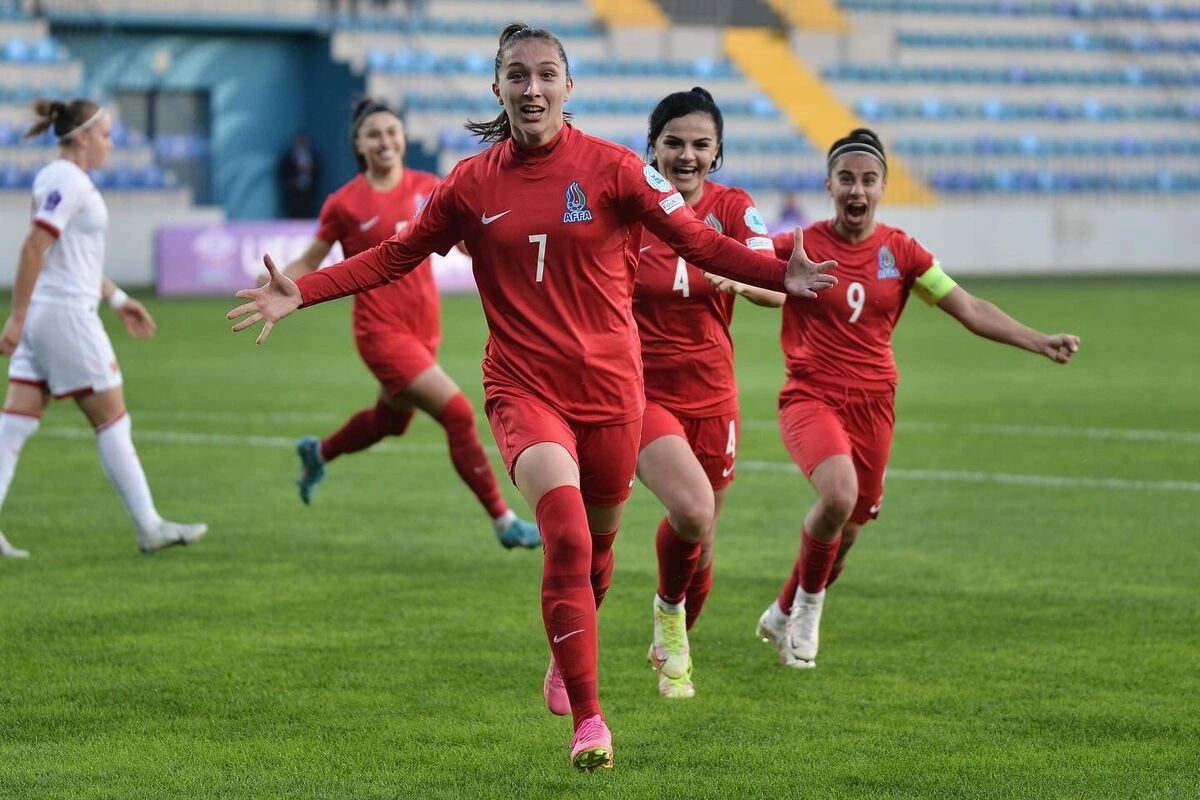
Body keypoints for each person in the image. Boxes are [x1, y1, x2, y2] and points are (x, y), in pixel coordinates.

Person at [228, 23, 836, 771]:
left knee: (600, 551)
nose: (533, 87)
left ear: (568, 86)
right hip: (523, 387)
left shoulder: (616, 169)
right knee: (568, 537)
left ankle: (567, 646)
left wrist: (784, 277)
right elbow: (394, 257)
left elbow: (699, 243)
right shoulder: (470, 183)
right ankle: (590, 718)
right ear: (498, 88)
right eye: (517, 75)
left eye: (547, 74)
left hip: (613, 392)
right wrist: (304, 290)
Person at [755, 128, 1080, 669]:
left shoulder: (902, 253)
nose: (857, 191)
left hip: (875, 406)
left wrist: (1038, 340)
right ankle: (809, 610)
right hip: (811, 397)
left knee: (849, 531)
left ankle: (782, 610)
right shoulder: (802, 245)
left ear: (883, 186)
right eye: (846, 180)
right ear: (829, 185)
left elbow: (969, 309)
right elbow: (750, 271)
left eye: (868, 180)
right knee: (836, 496)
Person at [280, 98, 539, 550]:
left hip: (424, 327)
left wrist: (513, 254)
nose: (385, 141)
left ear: (403, 138)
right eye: (374, 134)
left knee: (389, 423)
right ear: (359, 144)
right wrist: (283, 282)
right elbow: (311, 258)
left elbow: (465, 244)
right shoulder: (344, 203)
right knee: (458, 415)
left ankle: (317, 452)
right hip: (380, 333)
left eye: (391, 132)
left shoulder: (428, 187)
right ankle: (504, 522)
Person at [0, 98, 207, 558]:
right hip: (65, 317)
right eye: (107, 135)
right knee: (112, 419)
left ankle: (150, 525)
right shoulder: (67, 179)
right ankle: (149, 527)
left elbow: (68, 258)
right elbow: (34, 248)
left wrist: (116, 298)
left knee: (14, 425)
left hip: (50, 313)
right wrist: (14, 316)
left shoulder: (62, 180)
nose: (110, 145)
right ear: (82, 137)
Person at [633, 87, 786, 700]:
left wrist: (742, 281)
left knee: (701, 548)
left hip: (713, 395)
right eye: (674, 142)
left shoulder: (732, 207)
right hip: (639, 391)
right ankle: (658, 616)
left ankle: (672, 636)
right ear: (654, 147)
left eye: (700, 144)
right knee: (690, 511)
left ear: (717, 151)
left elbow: (776, 287)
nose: (687, 155)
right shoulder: (630, 201)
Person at [279, 132, 320, 219]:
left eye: (302, 140)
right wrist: (292, 182)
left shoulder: (313, 156)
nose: (301, 142)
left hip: (309, 194)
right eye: (298, 140)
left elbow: (318, 171)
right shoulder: (288, 157)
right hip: (293, 194)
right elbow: (283, 173)